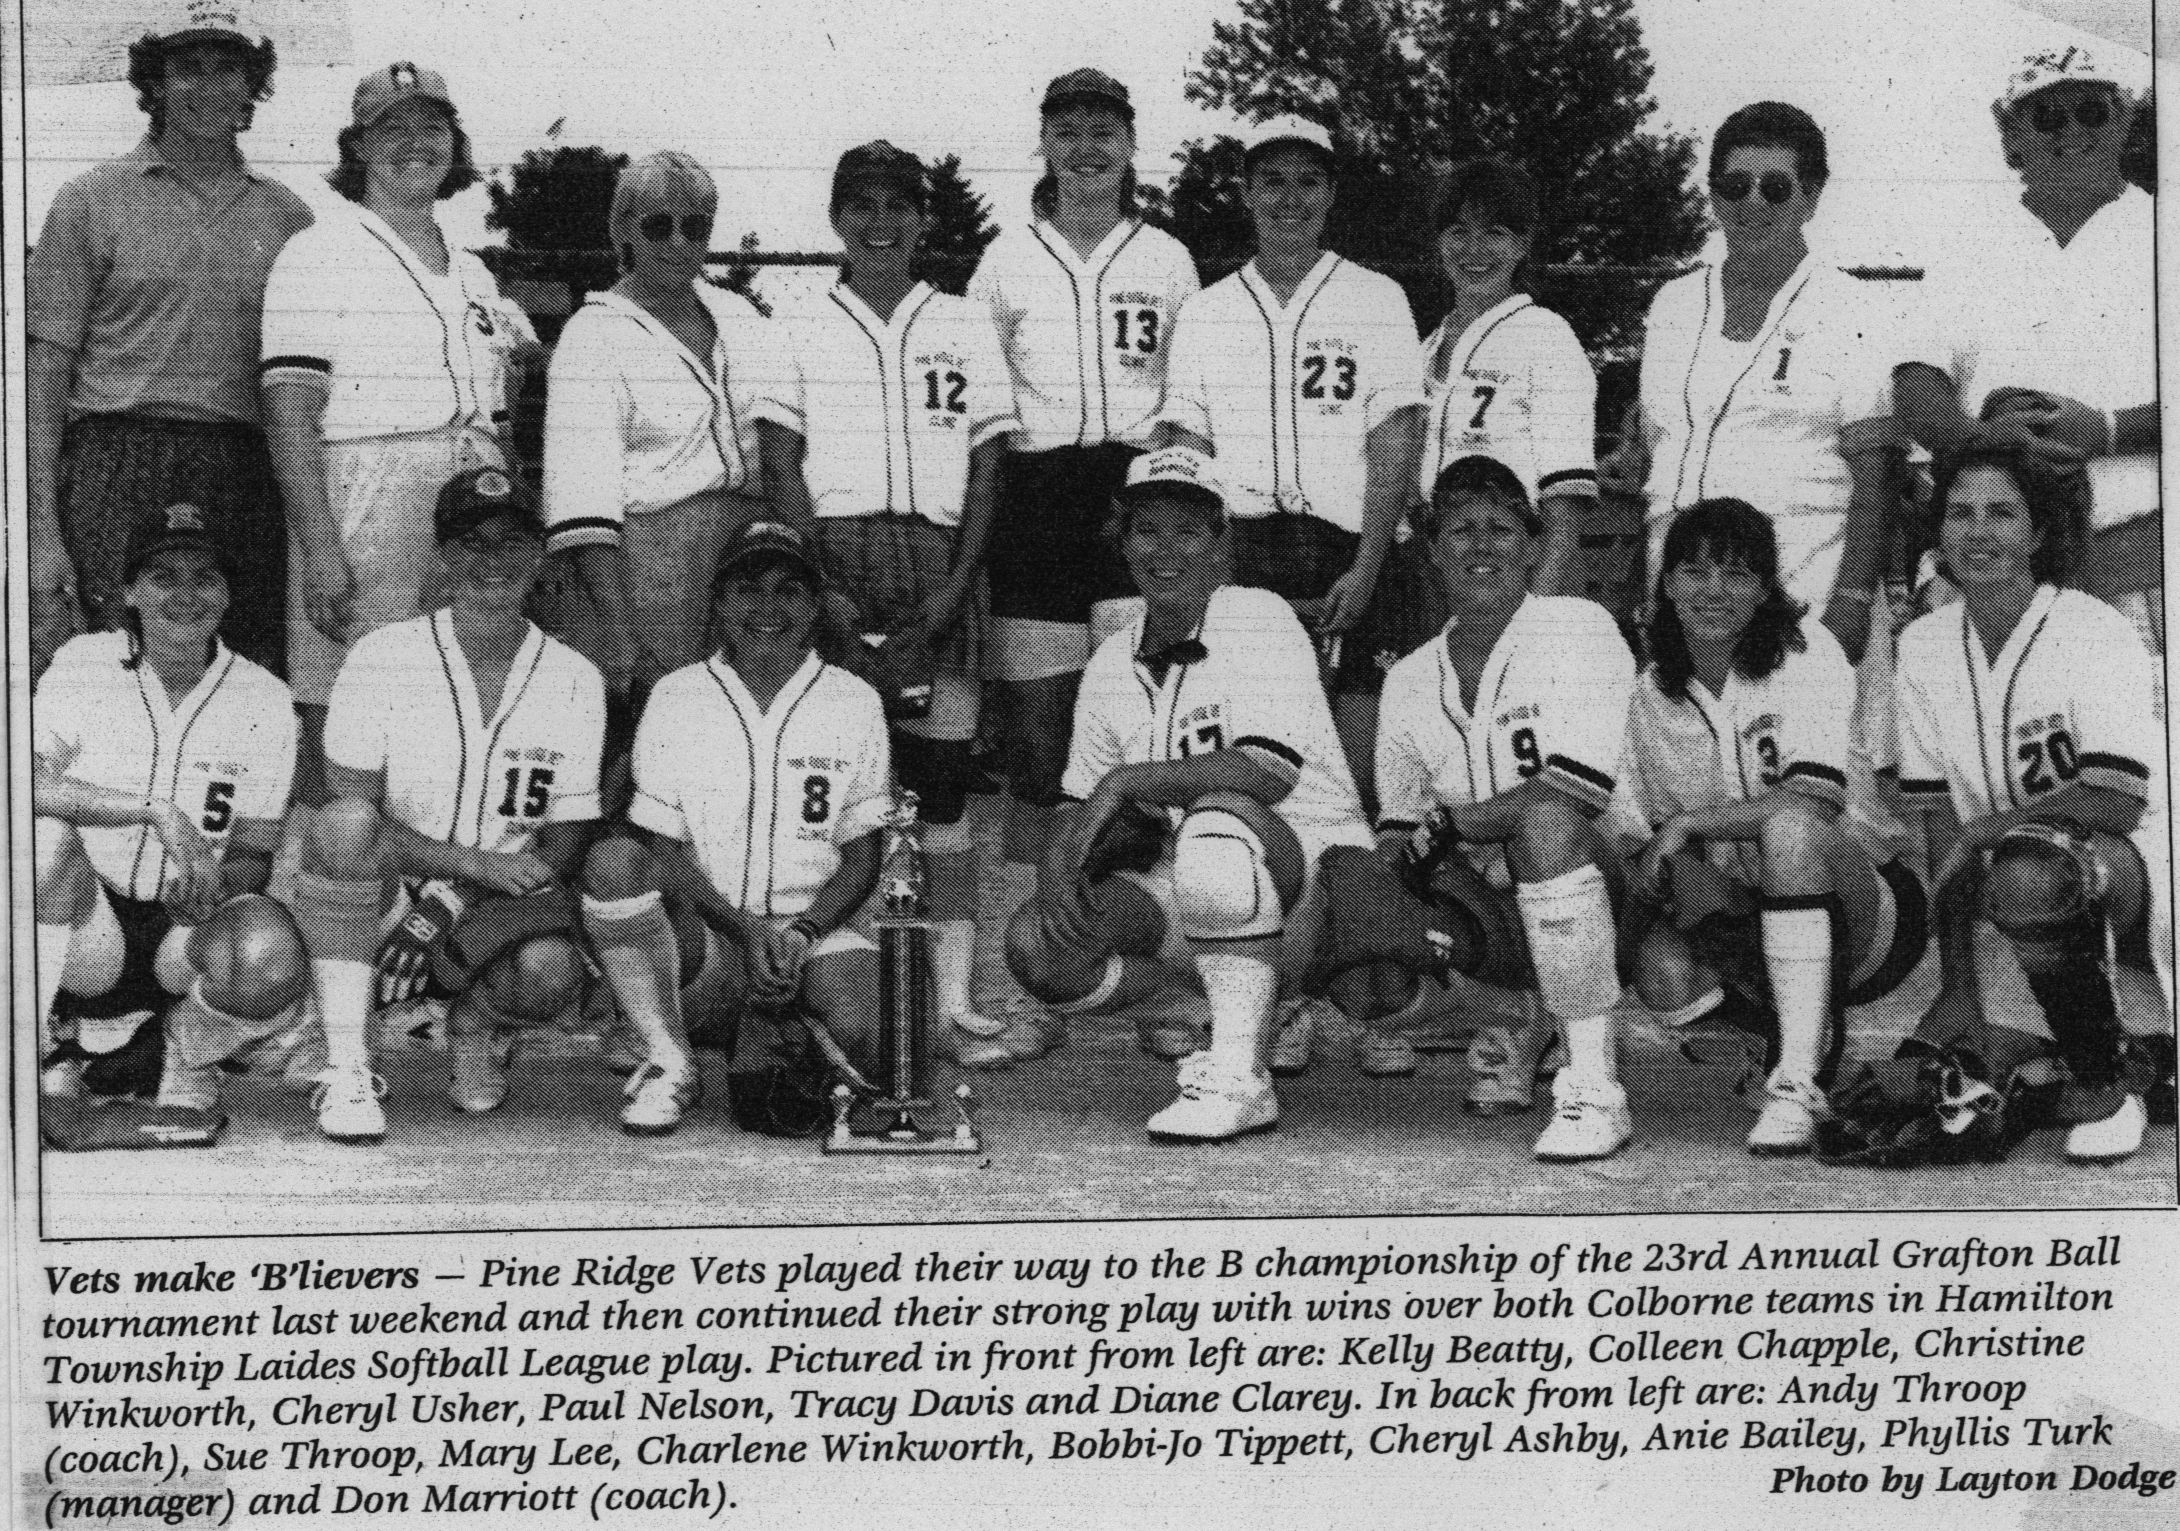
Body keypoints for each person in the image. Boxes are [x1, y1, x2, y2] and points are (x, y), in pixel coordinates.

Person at [1005, 447, 1376, 1142]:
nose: (1165, 549)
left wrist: (1126, 783)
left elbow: (1266, 772)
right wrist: (1059, 866)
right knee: (1037, 944)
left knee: (1217, 821)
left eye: (1187, 530)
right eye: (1147, 529)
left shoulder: (1255, 614)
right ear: (1123, 540)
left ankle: (1240, 1078)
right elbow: (1072, 799)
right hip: (1205, 885)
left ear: (1219, 543)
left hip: (1316, 890)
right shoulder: (1115, 656)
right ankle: (1220, 1016)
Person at [753, 142, 1024, 1068]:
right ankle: (813, 972)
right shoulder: (795, 321)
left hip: (937, 553)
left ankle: (951, 1003)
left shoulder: (961, 319)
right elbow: (779, 462)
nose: (880, 223)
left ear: (922, 218)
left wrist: (955, 586)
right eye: (860, 205)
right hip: (835, 550)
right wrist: (817, 585)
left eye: (897, 206)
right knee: (835, 776)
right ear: (835, 217)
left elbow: (989, 463)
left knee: (941, 791)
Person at [1313, 459, 1634, 1151]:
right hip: (1485, 900)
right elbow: (1401, 832)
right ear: (1432, 550)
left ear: (1533, 542)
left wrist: (1458, 824)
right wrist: (1384, 906)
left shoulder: (1578, 626)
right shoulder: (1407, 677)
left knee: (1544, 826)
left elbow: (1577, 790)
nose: (1482, 545)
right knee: (1358, 928)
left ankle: (1592, 1084)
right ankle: (1513, 1010)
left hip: (1604, 889)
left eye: (1501, 527)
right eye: (1461, 529)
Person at [287, 469, 604, 1142]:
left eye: (512, 540)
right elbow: (352, 817)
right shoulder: (382, 655)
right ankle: (347, 1062)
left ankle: (475, 1027)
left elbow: (567, 838)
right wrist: (465, 867)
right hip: (387, 892)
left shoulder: (576, 677)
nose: (493, 561)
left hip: (492, 903)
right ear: (442, 554)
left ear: (540, 552)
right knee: (342, 826)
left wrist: (461, 895)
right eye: (472, 543)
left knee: (552, 971)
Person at [1613, 499, 1929, 1156]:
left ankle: (1797, 1076)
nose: (1713, 591)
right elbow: (1637, 833)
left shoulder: (1806, 652)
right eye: (1694, 573)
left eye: (1735, 574)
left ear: (1765, 587)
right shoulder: (1648, 692)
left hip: (1869, 906)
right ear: (1667, 585)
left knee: (1787, 829)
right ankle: (1787, 1035)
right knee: (1662, 969)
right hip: (1747, 914)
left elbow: (1812, 802)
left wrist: (1693, 824)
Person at [261, 61, 536, 802]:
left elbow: (501, 417)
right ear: (357, 148)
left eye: (432, 126)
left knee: (448, 689)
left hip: (470, 490)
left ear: (456, 143)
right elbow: (289, 411)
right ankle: (336, 880)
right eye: (393, 127)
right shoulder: (319, 250)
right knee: (350, 694)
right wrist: (320, 549)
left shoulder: (476, 273)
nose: (416, 142)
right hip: (368, 488)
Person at [1892, 445, 2170, 1165]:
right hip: (2029, 889)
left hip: (2139, 863)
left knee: (2029, 864)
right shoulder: (1921, 645)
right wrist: (1958, 990)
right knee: (1920, 1077)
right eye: (1960, 513)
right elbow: (1940, 828)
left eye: (2002, 513)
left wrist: (1988, 828)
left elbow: (2113, 800)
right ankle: (2115, 1054)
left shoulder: (2090, 626)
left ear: (2039, 533)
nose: (1978, 532)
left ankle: (2110, 1084)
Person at [26, 2, 313, 680]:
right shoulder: (88, 199)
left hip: (243, 466)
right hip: (115, 458)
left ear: (253, 86)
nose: (207, 87)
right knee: (106, 663)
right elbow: (43, 375)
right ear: (152, 83)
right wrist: (42, 530)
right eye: (187, 68)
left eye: (228, 69)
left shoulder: (289, 216)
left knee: (241, 666)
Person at [581, 520, 893, 1136]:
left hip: (815, 932)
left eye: (788, 591)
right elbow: (664, 853)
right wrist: (747, 931)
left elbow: (863, 859)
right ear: (719, 602)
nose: (767, 609)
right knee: (615, 862)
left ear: (814, 604)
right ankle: (670, 1059)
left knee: (881, 1037)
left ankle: (788, 1031)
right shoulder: (678, 694)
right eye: (748, 588)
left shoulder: (854, 700)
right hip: (711, 935)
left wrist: (801, 933)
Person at [1157, 115, 1427, 807]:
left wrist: (1367, 567)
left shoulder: (1375, 297)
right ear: (1245, 192)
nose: (1289, 199)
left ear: (1332, 193)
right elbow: (1190, 449)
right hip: (1245, 551)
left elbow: (1395, 437)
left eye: (1308, 181)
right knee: (1255, 759)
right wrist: (1208, 576)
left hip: (1350, 549)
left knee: (1359, 769)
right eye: (1272, 181)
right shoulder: (1209, 310)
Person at [969, 69, 1201, 867]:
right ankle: (1043, 931)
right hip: (1035, 500)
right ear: (1043, 147)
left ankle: (1144, 906)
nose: (1086, 148)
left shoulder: (1168, 259)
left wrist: (1155, 501)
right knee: (1037, 737)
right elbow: (988, 418)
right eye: (1067, 132)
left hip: (1131, 495)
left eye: (1103, 132)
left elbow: (1184, 399)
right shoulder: (1003, 261)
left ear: (1132, 148)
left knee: (1135, 721)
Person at [33, 501, 306, 1126]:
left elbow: (255, 853)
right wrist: (154, 811)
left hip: (181, 938)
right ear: (130, 590)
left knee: (265, 945)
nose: (185, 595)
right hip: (84, 925)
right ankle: (38, 1044)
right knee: (44, 841)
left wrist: (216, 882)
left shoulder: (264, 697)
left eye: (204, 577)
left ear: (229, 594)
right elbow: (22, 786)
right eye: (164, 576)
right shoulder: (85, 662)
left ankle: (184, 1052)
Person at [1893, 48, 2159, 655]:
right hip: (1987, 573)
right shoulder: (1968, 242)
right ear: (2010, 136)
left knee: (2136, 747)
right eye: (2046, 117)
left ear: (2124, 122)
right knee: (1973, 748)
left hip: (2136, 564)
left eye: (2092, 112)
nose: (2072, 133)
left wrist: (2109, 430)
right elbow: (1916, 386)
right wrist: (1995, 444)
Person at [1624, 102, 1898, 663]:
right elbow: (1660, 451)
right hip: (1680, 599)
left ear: (1812, 196)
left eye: (1775, 187)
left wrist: (1849, 602)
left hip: (1802, 593)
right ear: (1714, 192)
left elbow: (1877, 475)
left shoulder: (1852, 308)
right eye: (1734, 185)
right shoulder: (1673, 305)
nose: (1752, 203)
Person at [543, 150, 767, 699]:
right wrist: (622, 634)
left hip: (744, 556)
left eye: (695, 227)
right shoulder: (593, 334)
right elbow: (581, 504)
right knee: (655, 717)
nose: (677, 244)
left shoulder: (739, 314)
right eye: (657, 226)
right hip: (650, 566)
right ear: (623, 231)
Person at [1417, 161, 1596, 597]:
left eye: (1494, 233)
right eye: (1458, 231)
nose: (1473, 250)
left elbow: (1563, 511)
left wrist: (1532, 618)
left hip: (1515, 575)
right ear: (1440, 241)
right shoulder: (1425, 346)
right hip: (1435, 571)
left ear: (1521, 245)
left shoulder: (1545, 335)